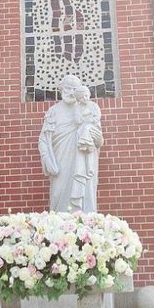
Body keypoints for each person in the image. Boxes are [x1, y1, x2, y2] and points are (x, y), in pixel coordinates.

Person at [38, 74, 103, 213]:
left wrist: (93, 135)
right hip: (60, 160)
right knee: (58, 193)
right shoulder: (53, 111)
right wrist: (47, 160)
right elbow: (44, 139)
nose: (71, 92)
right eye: (68, 88)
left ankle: (86, 223)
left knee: (84, 194)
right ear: (61, 89)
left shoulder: (88, 108)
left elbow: (99, 140)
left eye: (74, 89)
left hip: (83, 161)